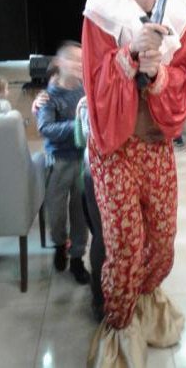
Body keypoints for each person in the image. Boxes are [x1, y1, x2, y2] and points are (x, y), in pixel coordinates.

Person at [82, 0, 186, 367]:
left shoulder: (179, 13)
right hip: (114, 150)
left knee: (162, 242)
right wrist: (129, 55)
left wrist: (159, 73)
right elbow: (96, 83)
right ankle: (121, 324)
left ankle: (146, 307)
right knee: (125, 247)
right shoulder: (102, 11)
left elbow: (184, 79)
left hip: (155, 145)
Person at [36, 41, 90, 285]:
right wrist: (78, 125)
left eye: (82, 60)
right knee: (56, 212)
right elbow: (45, 128)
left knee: (80, 212)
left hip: (82, 159)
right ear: (60, 63)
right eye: (73, 60)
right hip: (58, 161)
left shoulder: (86, 88)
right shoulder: (49, 96)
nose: (79, 65)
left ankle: (77, 257)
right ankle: (60, 244)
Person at [75, 95, 105, 322]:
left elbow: (79, 140)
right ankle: (101, 297)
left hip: (94, 172)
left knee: (102, 237)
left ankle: (101, 297)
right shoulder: (88, 102)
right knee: (104, 238)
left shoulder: (85, 102)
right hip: (100, 174)